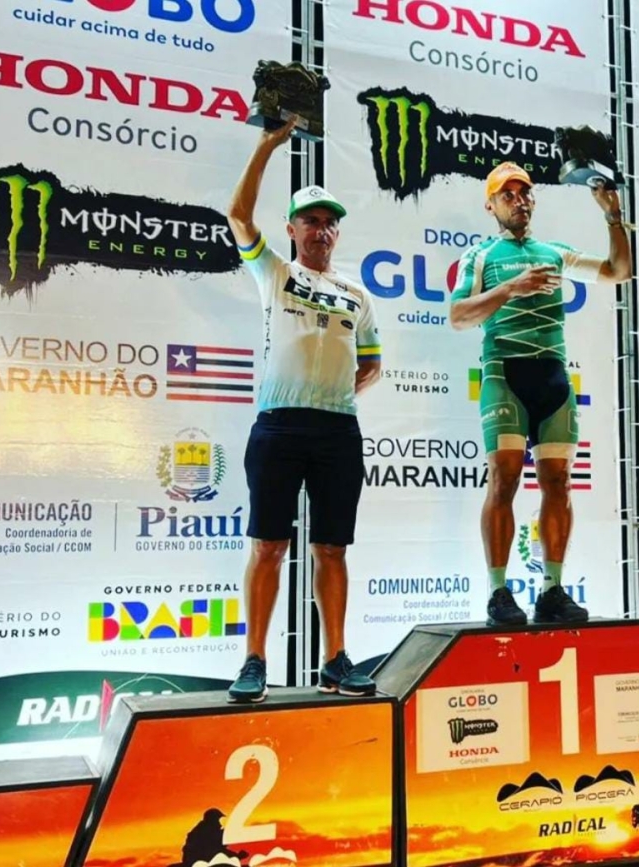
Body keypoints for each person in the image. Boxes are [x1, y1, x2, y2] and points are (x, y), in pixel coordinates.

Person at [226, 118, 382, 702]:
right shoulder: (275, 272)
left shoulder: (357, 294)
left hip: (337, 430)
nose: (322, 230)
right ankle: (254, 660)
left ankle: (335, 660)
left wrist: (335, 394)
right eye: (311, 221)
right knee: (269, 545)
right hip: (279, 425)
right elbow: (238, 215)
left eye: (330, 222)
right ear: (291, 229)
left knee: (332, 548)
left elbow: (372, 364)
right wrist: (267, 144)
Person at [450, 162, 632, 625]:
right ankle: (498, 592)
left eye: (525, 193)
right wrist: (511, 288)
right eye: (507, 195)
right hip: (504, 373)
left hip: (553, 376)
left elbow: (619, 270)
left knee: (558, 482)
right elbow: (458, 316)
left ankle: (552, 590)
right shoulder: (480, 256)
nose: (519, 201)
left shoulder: (553, 252)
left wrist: (612, 216)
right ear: (490, 206)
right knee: (504, 480)